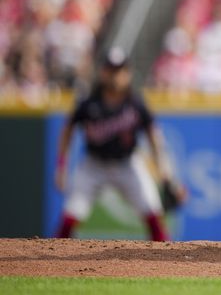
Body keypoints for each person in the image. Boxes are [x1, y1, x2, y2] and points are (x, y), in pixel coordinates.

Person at [54, 47, 174, 241]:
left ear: (127, 73)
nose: (115, 76)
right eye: (111, 70)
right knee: (70, 217)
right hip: (94, 166)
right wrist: (61, 166)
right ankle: (51, 264)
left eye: (119, 70)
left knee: (153, 214)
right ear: (103, 72)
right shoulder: (88, 103)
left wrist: (164, 171)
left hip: (127, 164)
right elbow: (67, 131)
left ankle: (168, 264)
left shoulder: (135, 103)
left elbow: (154, 135)